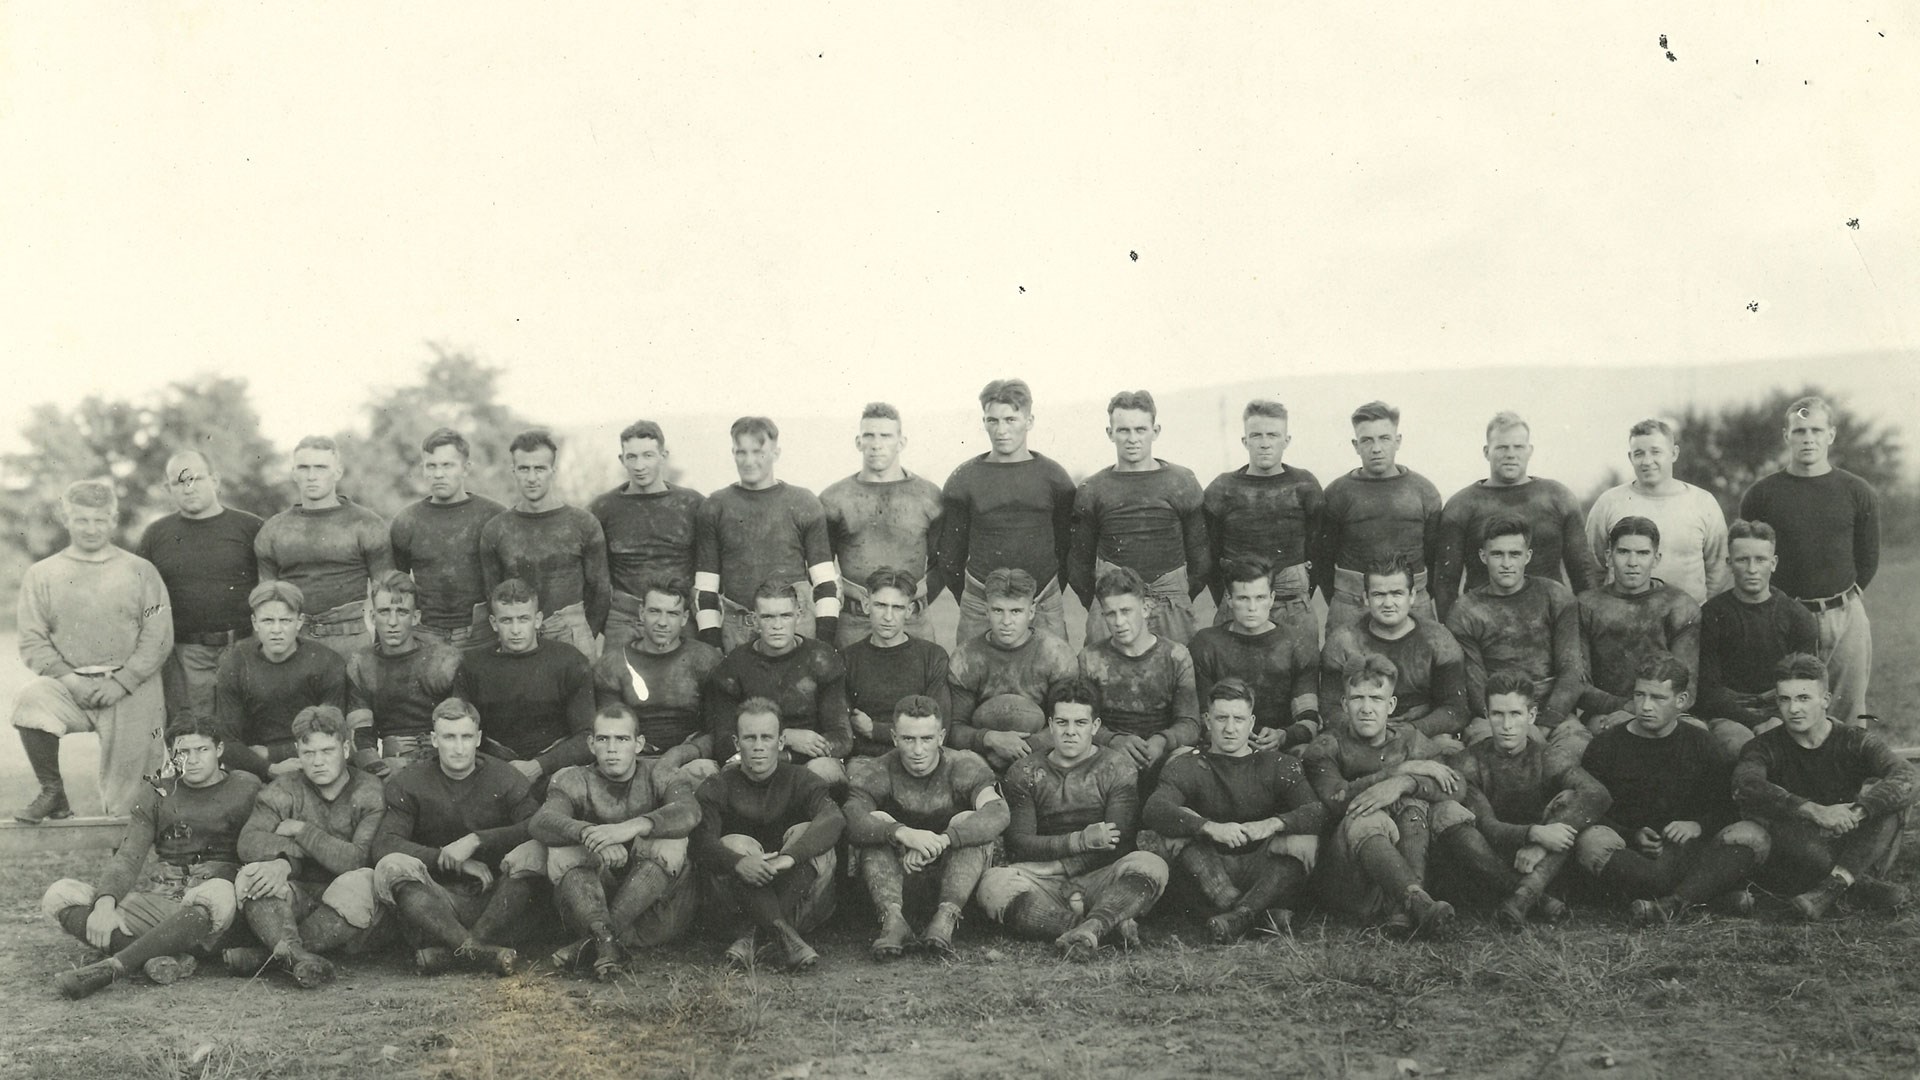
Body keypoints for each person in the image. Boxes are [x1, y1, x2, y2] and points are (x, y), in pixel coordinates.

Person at [40, 716, 262, 999]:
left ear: (218, 750)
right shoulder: (158, 791)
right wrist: (105, 903)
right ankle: (157, 956)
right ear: (172, 754)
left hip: (217, 912)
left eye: (202, 750)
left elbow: (259, 846)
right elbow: (129, 856)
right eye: (183, 752)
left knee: (218, 894)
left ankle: (115, 966)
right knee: (59, 895)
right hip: (165, 899)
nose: (192, 760)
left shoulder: (246, 786)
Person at [12, 479, 173, 820]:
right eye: (82, 519)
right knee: (31, 700)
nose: (91, 528)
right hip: (73, 686)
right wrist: (70, 680)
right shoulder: (43, 573)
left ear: (113, 520)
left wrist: (122, 681)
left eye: (100, 519)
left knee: (131, 798)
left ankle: (125, 866)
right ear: (66, 518)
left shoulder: (139, 570)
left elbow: (158, 635)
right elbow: (31, 639)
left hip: (132, 687)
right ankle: (53, 793)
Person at [974, 680, 1169, 958]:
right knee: (992, 885)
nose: (1070, 732)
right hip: (1045, 878)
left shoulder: (1117, 766)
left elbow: (1119, 841)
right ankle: (1097, 926)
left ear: (1095, 726)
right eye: (1062, 723)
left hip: (1101, 874)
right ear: (1051, 725)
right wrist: (1079, 841)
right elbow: (1019, 843)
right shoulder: (1026, 770)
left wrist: (1065, 861)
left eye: (1080, 723)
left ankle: (1097, 921)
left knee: (1151, 864)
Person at [1573, 653, 1768, 924]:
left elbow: (1729, 807)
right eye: (1640, 695)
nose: (1646, 706)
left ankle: (1671, 903)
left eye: (1658, 698)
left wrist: (1697, 825)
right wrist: (1632, 835)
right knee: (1591, 843)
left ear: (1681, 701)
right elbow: (1589, 812)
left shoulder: (1702, 744)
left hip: (1688, 852)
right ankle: (1705, 897)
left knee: (1753, 836)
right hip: (1634, 855)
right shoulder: (1606, 745)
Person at [1140, 679, 1326, 943]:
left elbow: (1317, 812)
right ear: (1207, 720)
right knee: (1177, 823)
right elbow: (1154, 809)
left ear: (1251, 723)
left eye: (1238, 719)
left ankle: (1241, 915)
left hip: (1262, 871)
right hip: (1210, 874)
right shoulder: (1187, 764)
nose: (1229, 728)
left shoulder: (1280, 764)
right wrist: (1208, 827)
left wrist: (1274, 823)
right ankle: (1254, 912)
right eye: (1221, 718)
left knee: (1302, 839)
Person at [1732, 654, 1915, 920]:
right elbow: (1745, 785)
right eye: (1785, 699)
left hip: (1853, 839)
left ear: (1826, 700)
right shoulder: (1764, 746)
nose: (1794, 709)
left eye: (1804, 698)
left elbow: (1907, 775)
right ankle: (1856, 885)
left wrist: (1858, 812)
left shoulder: (1853, 740)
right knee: (1770, 819)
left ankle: (1831, 891)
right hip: (1803, 849)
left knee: (1891, 804)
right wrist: (1815, 811)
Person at [370, 697, 544, 976]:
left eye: (466, 737)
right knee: (391, 866)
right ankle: (475, 952)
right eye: (449, 737)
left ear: (478, 738)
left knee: (535, 852)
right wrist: (445, 858)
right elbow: (386, 842)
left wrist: (477, 840)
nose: (459, 747)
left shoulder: (506, 776)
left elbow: (537, 825)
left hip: (497, 901)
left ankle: (460, 952)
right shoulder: (410, 780)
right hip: (437, 907)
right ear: (434, 740)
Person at [530, 704, 702, 980]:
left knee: (669, 841)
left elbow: (689, 811)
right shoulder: (573, 778)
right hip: (590, 909)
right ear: (591, 744)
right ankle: (604, 939)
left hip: (652, 915)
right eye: (603, 739)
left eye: (622, 739)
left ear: (639, 744)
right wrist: (590, 834)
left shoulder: (660, 772)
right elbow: (542, 821)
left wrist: (628, 828)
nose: (612, 748)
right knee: (564, 849)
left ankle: (599, 941)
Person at [1739, 396, 1880, 725]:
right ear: (1786, 435)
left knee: (1847, 710)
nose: (1808, 438)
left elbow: (1869, 559)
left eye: (1817, 430)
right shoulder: (1761, 495)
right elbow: (1750, 558)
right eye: (1800, 430)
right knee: (1791, 706)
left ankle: (1847, 777)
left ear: (1831, 434)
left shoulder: (1858, 491)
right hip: (1785, 615)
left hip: (1844, 616)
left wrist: (1843, 600)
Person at [1301, 656, 1462, 937]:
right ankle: (1415, 902)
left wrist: (1404, 782)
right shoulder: (1325, 746)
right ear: (1343, 704)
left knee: (1415, 803)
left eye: (1376, 699)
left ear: (1391, 705)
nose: (1366, 708)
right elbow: (1336, 799)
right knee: (1366, 816)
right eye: (1357, 698)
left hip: (1401, 862)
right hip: (1350, 877)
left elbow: (1457, 786)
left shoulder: (1408, 737)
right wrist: (1395, 772)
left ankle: (1410, 907)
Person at [1434, 672, 1609, 927]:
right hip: (1488, 860)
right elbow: (1487, 826)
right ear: (1486, 714)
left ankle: (1522, 898)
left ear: (1531, 716)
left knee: (1571, 801)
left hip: (1538, 861)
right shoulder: (1468, 762)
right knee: (1458, 828)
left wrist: (1540, 845)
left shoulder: (1548, 757)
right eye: (1498, 714)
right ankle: (1530, 896)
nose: (1507, 725)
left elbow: (1597, 794)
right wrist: (1534, 833)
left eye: (1515, 714)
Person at [230, 705, 386, 987]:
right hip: (297, 895)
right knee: (253, 874)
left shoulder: (368, 790)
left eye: (327, 751)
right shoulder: (283, 788)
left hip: (344, 909)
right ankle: (298, 957)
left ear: (346, 747)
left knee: (364, 880)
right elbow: (249, 842)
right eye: (308, 753)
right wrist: (284, 862)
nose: (317, 762)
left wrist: (301, 830)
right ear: (296, 752)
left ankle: (270, 956)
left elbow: (356, 859)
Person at [844, 696, 1007, 960]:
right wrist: (903, 834)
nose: (918, 749)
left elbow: (997, 811)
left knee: (966, 820)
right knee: (878, 819)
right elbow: (852, 815)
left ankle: (945, 920)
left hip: (955, 881)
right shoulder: (877, 769)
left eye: (927, 739)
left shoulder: (963, 765)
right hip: (895, 881)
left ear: (941, 737)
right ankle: (892, 921)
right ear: (895, 738)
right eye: (909, 739)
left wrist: (942, 841)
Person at [692, 700, 846, 972]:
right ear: (736, 743)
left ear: (782, 740)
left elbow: (834, 818)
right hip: (735, 908)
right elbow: (701, 840)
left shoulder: (801, 778)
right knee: (734, 844)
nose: (759, 745)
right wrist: (738, 863)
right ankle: (780, 934)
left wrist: (789, 857)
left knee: (807, 833)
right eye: (750, 738)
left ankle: (753, 934)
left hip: (800, 903)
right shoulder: (718, 784)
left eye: (767, 737)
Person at [937, 379, 1076, 643]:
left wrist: (1047, 591)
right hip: (981, 603)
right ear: (984, 422)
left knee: (1058, 677)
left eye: (1010, 420)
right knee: (970, 679)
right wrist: (976, 599)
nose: (1001, 430)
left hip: (1043, 601)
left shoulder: (1054, 477)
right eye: (993, 421)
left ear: (1029, 420)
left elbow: (1066, 548)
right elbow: (950, 558)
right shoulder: (964, 478)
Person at [1069, 389, 1210, 645]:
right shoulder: (1093, 488)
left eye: (1140, 430)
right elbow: (1079, 565)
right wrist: (1105, 603)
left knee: (1179, 675)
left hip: (1170, 606)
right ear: (1110, 433)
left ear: (1155, 431)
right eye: (1123, 430)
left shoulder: (1181, 481)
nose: (1132, 439)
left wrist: (1177, 597)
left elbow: (1200, 558)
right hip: (1113, 606)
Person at [138, 450, 264, 726]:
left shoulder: (251, 527)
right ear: (168, 489)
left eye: (195, 478)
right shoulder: (156, 535)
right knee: (194, 734)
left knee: (249, 731)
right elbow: (141, 601)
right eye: (178, 482)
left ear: (215, 480)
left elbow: (271, 592)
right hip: (185, 657)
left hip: (245, 649)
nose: (188, 488)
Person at [1431, 412, 1597, 620]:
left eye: (1518, 447)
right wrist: (1456, 633)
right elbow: (1446, 581)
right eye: (1501, 447)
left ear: (1530, 451)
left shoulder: (1558, 497)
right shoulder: (1462, 505)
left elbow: (1583, 573)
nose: (1511, 454)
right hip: (1485, 621)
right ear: (1486, 452)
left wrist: (1586, 627)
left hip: (1549, 619)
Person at [694, 416, 839, 652]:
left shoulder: (803, 502)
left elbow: (825, 583)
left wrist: (823, 643)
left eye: (758, 452)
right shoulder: (716, 506)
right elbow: (705, 588)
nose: (749, 461)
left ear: (776, 453)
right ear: (733, 452)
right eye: (741, 452)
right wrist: (712, 644)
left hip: (796, 626)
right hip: (738, 628)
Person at [1443, 517, 1585, 738]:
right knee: (1492, 756)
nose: (1506, 563)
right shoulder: (1465, 610)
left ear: (1527, 556)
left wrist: (1545, 725)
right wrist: (1508, 725)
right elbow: (1475, 686)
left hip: (1550, 710)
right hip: (1495, 715)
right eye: (1497, 554)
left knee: (1573, 749)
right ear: (1483, 556)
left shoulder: (1556, 596)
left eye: (1515, 554)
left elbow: (1571, 671)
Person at [255, 435, 394, 658]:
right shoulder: (273, 530)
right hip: (295, 643)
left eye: (320, 467)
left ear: (337, 472)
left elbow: (388, 594)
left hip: (352, 639)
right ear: (294, 473)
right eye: (303, 468)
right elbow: (267, 601)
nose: (311, 476)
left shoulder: (366, 524)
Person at [452, 578, 597, 790]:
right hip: (493, 772)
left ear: (538, 620)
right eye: (506, 621)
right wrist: (501, 768)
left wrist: (539, 766)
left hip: (555, 771)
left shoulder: (569, 661)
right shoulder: (472, 666)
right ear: (493, 623)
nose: (516, 629)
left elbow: (588, 736)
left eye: (523, 619)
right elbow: (459, 730)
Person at [820, 403, 945, 647]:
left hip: (913, 620)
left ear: (901, 442)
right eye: (869, 435)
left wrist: (910, 602)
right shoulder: (834, 499)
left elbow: (942, 566)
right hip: (854, 621)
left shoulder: (929, 496)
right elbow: (822, 569)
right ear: (858, 442)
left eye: (885, 436)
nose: (877, 444)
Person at [480, 429, 611, 659]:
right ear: (514, 472)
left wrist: (584, 636)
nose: (532, 478)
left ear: (553, 471)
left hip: (572, 638)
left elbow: (600, 592)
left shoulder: (583, 523)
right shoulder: (496, 529)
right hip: (517, 639)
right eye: (524, 469)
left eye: (539, 468)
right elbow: (492, 593)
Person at [704, 579, 852, 785]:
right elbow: (724, 742)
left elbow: (842, 738)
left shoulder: (822, 657)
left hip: (808, 763)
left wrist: (791, 757)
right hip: (755, 762)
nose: (777, 626)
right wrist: (786, 738)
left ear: (798, 616)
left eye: (785, 616)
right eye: (767, 617)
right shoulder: (734, 664)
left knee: (824, 770)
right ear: (754, 620)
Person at [1315, 400, 1443, 634]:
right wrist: (1346, 598)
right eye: (1367, 440)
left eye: (1384, 438)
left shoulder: (1424, 491)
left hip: (1413, 603)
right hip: (1352, 604)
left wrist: (1414, 595)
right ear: (1356, 445)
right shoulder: (1337, 493)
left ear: (1398, 441)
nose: (1376, 448)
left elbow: (1435, 557)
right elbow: (1324, 560)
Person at [1574, 518, 1702, 744]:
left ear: (1656, 558)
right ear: (1608, 557)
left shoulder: (1679, 605)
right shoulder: (1586, 605)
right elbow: (1579, 683)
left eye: (1643, 553)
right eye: (1623, 552)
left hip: (1666, 711)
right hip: (1605, 713)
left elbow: (1687, 684)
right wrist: (1624, 707)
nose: (1632, 562)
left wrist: (1640, 710)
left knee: (1697, 737)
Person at [1202, 398, 1324, 630]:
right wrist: (1225, 599)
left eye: (1273, 435)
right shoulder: (1223, 488)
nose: (1265, 443)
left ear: (1286, 440)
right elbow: (1209, 555)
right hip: (1238, 607)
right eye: (1256, 435)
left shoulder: (1304, 485)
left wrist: (1301, 592)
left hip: (1292, 607)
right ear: (1245, 440)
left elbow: (1318, 551)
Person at [588, 420, 705, 657]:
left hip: (677, 613)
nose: (639, 465)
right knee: (617, 682)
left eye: (648, 455)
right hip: (625, 615)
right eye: (631, 457)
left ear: (663, 455)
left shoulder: (692, 504)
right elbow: (594, 576)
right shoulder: (603, 508)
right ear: (622, 459)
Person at [1319, 556, 1469, 739]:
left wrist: (1411, 731)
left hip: (1420, 734)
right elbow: (1330, 708)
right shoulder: (1343, 641)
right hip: (1359, 733)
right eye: (1379, 595)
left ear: (1412, 595)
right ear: (1366, 598)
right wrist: (1369, 733)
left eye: (1397, 593)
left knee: (1449, 751)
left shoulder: (1438, 641)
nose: (1388, 603)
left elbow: (1456, 709)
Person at [945, 568, 1079, 772]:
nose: (1006, 622)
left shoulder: (1056, 655)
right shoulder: (966, 658)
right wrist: (990, 739)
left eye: (1016, 611)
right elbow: (954, 729)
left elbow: (1068, 722)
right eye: (998, 611)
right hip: (982, 756)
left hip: (1042, 754)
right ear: (986, 610)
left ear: (1031, 612)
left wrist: (1023, 748)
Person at [1074, 566, 1202, 779]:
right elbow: (1081, 719)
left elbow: (1190, 723)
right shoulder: (1091, 658)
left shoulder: (1176, 656)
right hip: (1110, 754)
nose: (1119, 622)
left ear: (1145, 608)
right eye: (1110, 614)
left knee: (1187, 761)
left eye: (1126, 611)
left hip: (1162, 753)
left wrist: (1162, 741)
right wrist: (1113, 740)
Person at [215, 581, 350, 781]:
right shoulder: (235, 663)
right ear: (255, 623)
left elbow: (333, 734)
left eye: (285, 620)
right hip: (257, 769)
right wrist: (269, 767)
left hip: (314, 763)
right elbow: (227, 739)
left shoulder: (326, 662)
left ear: (299, 621)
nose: (276, 630)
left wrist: (273, 753)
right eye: (268, 620)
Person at [1186, 557, 1323, 753]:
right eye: (1243, 598)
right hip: (1223, 744)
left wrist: (1283, 736)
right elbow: (1202, 716)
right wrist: (1237, 741)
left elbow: (1308, 719)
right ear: (1229, 600)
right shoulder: (1206, 644)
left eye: (1260, 598)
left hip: (1279, 746)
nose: (1252, 608)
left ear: (1272, 598)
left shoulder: (1298, 644)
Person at [1585, 418, 1729, 604]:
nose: (1647, 461)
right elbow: (1592, 567)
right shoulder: (1609, 503)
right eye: (1639, 454)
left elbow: (1719, 568)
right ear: (1630, 458)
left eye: (1656, 452)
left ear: (1674, 453)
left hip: (1688, 622)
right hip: (1622, 621)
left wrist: (1701, 612)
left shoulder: (1703, 502)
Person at [1696, 520, 1818, 738]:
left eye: (1760, 560)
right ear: (1729, 563)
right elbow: (1708, 690)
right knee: (1736, 745)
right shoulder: (1711, 614)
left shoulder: (1797, 616)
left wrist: (1778, 719)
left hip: (1784, 710)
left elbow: (1807, 684)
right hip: (1730, 713)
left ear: (1773, 563)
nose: (1752, 569)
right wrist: (1755, 723)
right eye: (1742, 560)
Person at [389, 428, 508, 650]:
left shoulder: (494, 516)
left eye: (447, 465)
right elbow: (395, 589)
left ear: (466, 468)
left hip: (481, 636)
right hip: (425, 636)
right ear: (423, 469)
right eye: (431, 466)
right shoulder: (407, 521)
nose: (438, 474)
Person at [590, 574, 722, 768]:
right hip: (632, 761)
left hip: (689, 761)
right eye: (654, 611)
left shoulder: (705, 660)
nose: (662, 622)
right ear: (641, 613)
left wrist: (680, 755)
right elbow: (610, 731)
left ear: (685, 618)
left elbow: (717, 730)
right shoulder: (614, 664)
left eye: (672, 613)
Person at [345, 571, 463, 774]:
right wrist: (380, 769)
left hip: (444, 760)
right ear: (372, 617)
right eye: (384, 612)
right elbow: (361, 735)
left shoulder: (444, 660)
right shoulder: (361, 664)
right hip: (392, 764)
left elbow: (463, 726)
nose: (392, 622)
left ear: (415, 617)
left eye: (401, 612)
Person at [842, 567, 952, 759]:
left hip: (920, 757)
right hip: (868, 760)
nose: (888, 617)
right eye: (880, 605)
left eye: (898, 608)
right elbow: (845, 726)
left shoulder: (932, 656)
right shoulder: (848, 659)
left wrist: (876, 730)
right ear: (866, 605)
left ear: (909, 611)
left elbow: (939, 723)